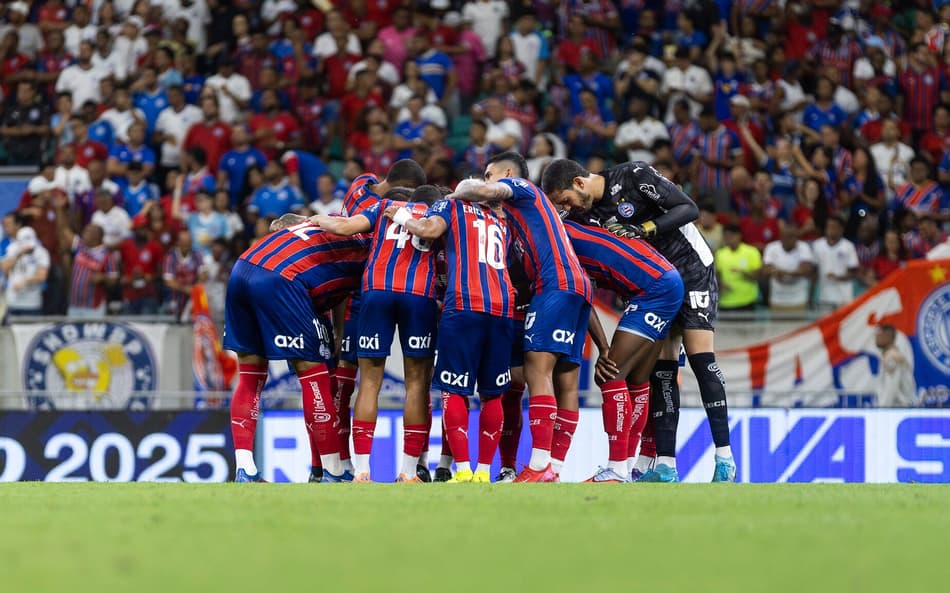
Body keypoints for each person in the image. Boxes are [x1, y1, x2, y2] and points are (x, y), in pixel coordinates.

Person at [542, 158, 734, 483]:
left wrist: (643, 229)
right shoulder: (586, 216)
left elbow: (687, 208)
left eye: (565, 201)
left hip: (691, 267)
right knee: (662, 370)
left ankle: (724, 458)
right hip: (653, 280)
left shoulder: (632, 176)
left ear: (578, 183)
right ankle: (666, 464)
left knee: (701, 359)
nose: (566, 209)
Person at [448, 152, 594, 483]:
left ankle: (539, 464)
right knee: (566, 380)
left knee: (534, 369)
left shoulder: (521, 187)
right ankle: (554, 468)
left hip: (555, 285)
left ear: (508, 172)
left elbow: (484, 192)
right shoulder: (520, 216)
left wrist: (458, 191)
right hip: (578, 286)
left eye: (489, 174)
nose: (486, 180)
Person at [224, 215, 371, 483]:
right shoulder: (372, 252)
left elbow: (278, 225)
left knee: (250, 375)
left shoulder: (334, 222)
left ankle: (245, 469)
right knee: (314, 376)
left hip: (243, 267)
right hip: (282, 279)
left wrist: (337, 329)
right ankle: (331, 471)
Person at [311, 186, 442, 483]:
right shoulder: (440, 214)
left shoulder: (385, 207)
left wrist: (314, 219)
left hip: (376, 292)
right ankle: (408, 473)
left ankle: (362, 471)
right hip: (417, 294)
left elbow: (344, 226)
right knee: (417, 385)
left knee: (369, 382)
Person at [390, 191, 515, 483]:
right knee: (492, 393)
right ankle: (484, 472)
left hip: (465, 303)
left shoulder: (453, 204)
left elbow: (428, 229)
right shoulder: (500, 220)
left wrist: (400, 215)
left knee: (454, 390)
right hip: (503, 307)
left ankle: (462, 470)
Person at [563, 220, 683, 482]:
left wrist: (604, 348)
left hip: (652, 289)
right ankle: (626, 468)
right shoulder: (580, 228)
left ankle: (616, 469)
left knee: (609, 374)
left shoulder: (560, 239)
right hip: (665, 280)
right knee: (637, 381)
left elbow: (582, 294)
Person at [65, 224, 119, 318]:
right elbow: (64, 231)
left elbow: (114, 279)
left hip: (93, 307)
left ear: (97, 236)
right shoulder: (80, 247)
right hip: (74, 305)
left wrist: (102, 277)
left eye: (87, 231)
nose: (83, 233)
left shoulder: (108, 255)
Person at [762, 222, 815, 311]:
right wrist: (776, 271)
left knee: (800, 325)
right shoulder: (771, 248)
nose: (793, 239)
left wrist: (781, 272)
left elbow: (805, 270)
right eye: (789, 236)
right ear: (782, 237)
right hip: (777, 299)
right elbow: (765, 270)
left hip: (798, 299)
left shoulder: (804, 247)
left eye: (795, 236)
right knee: (776, 325)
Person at [811, 215, 860, 312]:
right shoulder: (818, 245)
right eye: (829, 227)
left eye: (834, 227)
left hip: (843, 297)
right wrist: (812, 295)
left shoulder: (848, 246)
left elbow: (853, 272)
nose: (830, 230)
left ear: (841, 229)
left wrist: (838, 277)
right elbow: (814, 272)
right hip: (824, 297)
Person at [1, 226, 50, 317]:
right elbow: (5, 268)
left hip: (32, 304)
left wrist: (25, 281)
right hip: (13, 303)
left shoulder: (42, 252)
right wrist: (19, 254)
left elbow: (42, 276)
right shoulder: (12, 249)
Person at [715, 224, 762, 312]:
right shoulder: (720, 254)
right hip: (725, 302)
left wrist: (742, 272)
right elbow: (717, 276)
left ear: (739, 236)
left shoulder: (752, 252)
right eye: (726, 236)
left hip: (747, 301)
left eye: (731, 236)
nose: (728, 238)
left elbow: (757, 276)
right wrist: (721, 285)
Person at [875, 325, 916, 407]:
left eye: (879, 335)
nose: (876, 338)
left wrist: (883, 408)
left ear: (887, 336)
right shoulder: (891, 355)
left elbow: (891, 386)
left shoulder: (892, 358)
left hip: (895, 408)